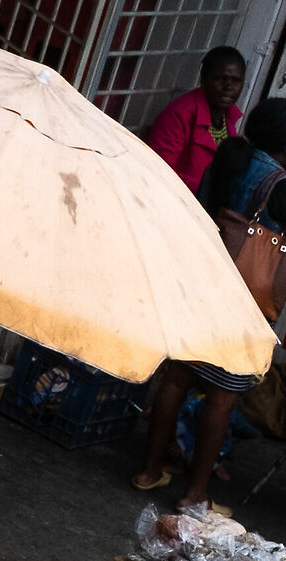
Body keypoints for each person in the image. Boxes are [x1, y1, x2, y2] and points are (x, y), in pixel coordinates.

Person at [137, 97, 286, 513]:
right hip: (243, 302)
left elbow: (200, 208)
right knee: (221, 398)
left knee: (176, 378)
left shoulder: (230, 156)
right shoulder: (281, 184)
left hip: (204, 279)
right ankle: (195, 493)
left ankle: (150, 469)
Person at [146, 46, 245, 191]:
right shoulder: (179, 115)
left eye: (236, 80)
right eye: (219, 79)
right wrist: (208, 192)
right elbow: (159, 171)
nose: (228, 87)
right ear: (203, 79)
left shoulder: (228, 117)